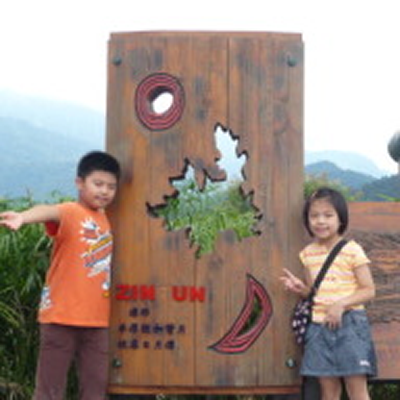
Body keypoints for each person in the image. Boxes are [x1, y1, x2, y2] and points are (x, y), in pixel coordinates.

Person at [0, 150, 121, 400]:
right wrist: (23, 217)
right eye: (98, 184)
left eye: (111, 186)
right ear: (80, 183)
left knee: (95, 389)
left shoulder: (107, 219)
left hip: (97, 321)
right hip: (60, 317)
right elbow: (48, 211)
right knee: (50, 390)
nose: (104, 191)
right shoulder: (71, 211)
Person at [280, 187, 377, 400]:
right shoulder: (307, 254)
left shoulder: (352, 249)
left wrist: (340, 305)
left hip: (350, 325)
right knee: (328, 391)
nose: (320, 221)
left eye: (328, 215)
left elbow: (369, 289)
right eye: (314, 216)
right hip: (319, 327)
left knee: (357, 391)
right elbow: (314, 292)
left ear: (340, 219)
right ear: (307, 220)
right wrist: (301, 289)